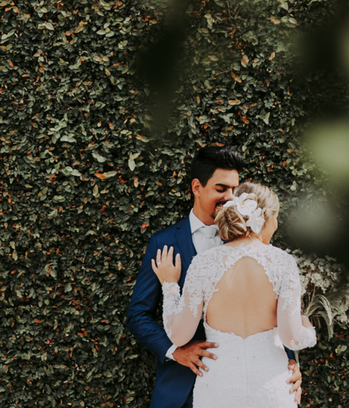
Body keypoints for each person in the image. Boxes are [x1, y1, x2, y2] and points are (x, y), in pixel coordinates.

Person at [126, 145, 302, 408]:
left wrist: (288, 362)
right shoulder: (164, 242)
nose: (230, 198)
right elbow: (138, 314)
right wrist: (176, 352)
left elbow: (273, 313)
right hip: (180, 388)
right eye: (221, 189)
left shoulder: (257, 244)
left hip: (253, 386)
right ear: (197, 187)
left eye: (235, 190)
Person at [151, 182, 317, 408]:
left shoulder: (203, 264)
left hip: (218, 388)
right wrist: (307, 326)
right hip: (271, 389)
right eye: (277, 217)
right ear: (266, 217)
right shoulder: (283, 263)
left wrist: (170, 285)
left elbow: (178, 336)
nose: (277, 225)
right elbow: (292, 338)